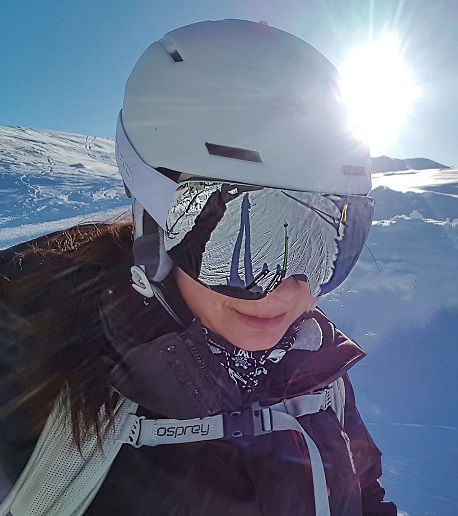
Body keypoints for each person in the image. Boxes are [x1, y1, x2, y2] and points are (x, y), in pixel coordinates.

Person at [0, 19, 396, 515]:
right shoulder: (27, 363)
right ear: (155, 227)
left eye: (331, 243)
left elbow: (364, 496)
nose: (289, 292)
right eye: (242, 238)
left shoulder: (313, 369)